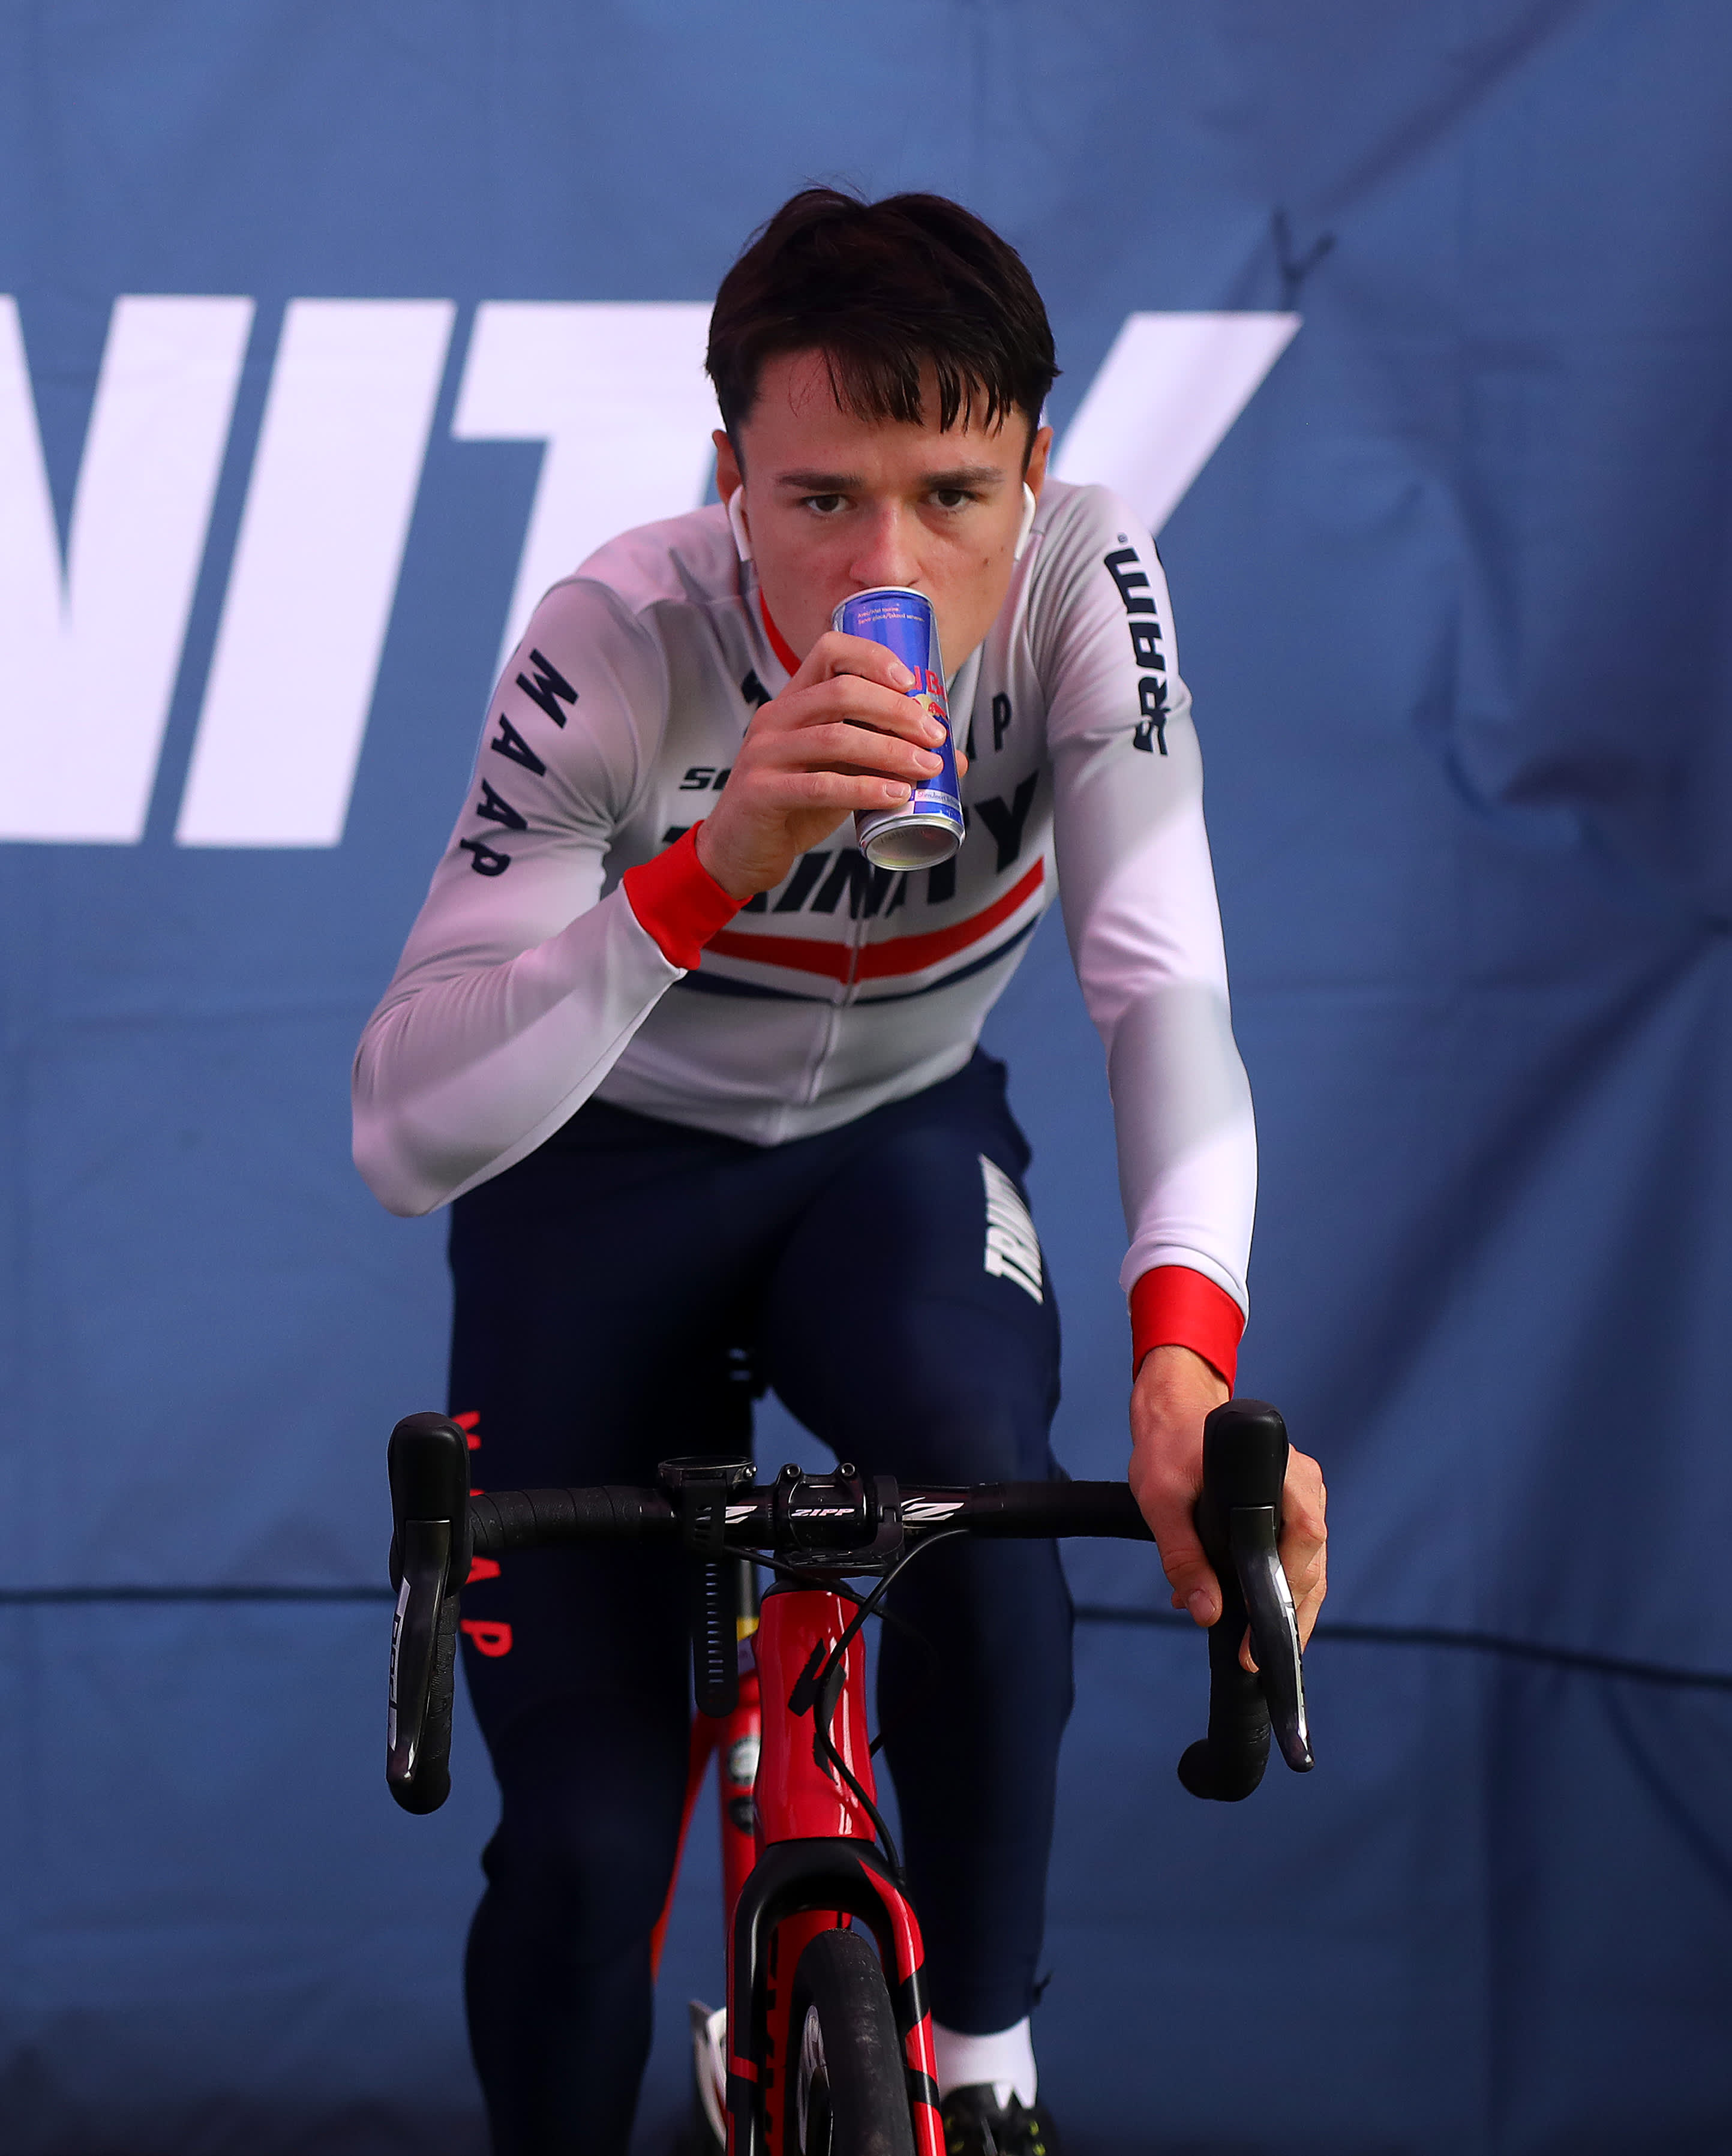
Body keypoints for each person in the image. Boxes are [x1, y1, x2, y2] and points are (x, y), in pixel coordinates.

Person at [352, 188, 1330, 2155]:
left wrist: (1186, 1362)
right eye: (818, 501)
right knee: (586, 1846)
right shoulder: (622, 634)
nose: (888, 563)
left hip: (895, 1144)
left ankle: (985, 2069)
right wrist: (711, 867)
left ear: (1035, 470)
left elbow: (1164, 990)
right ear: (729, 478)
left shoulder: (1083, 579)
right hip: (598, 1182)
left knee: (978, 1478)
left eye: (953, 495)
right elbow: (405, 1126)